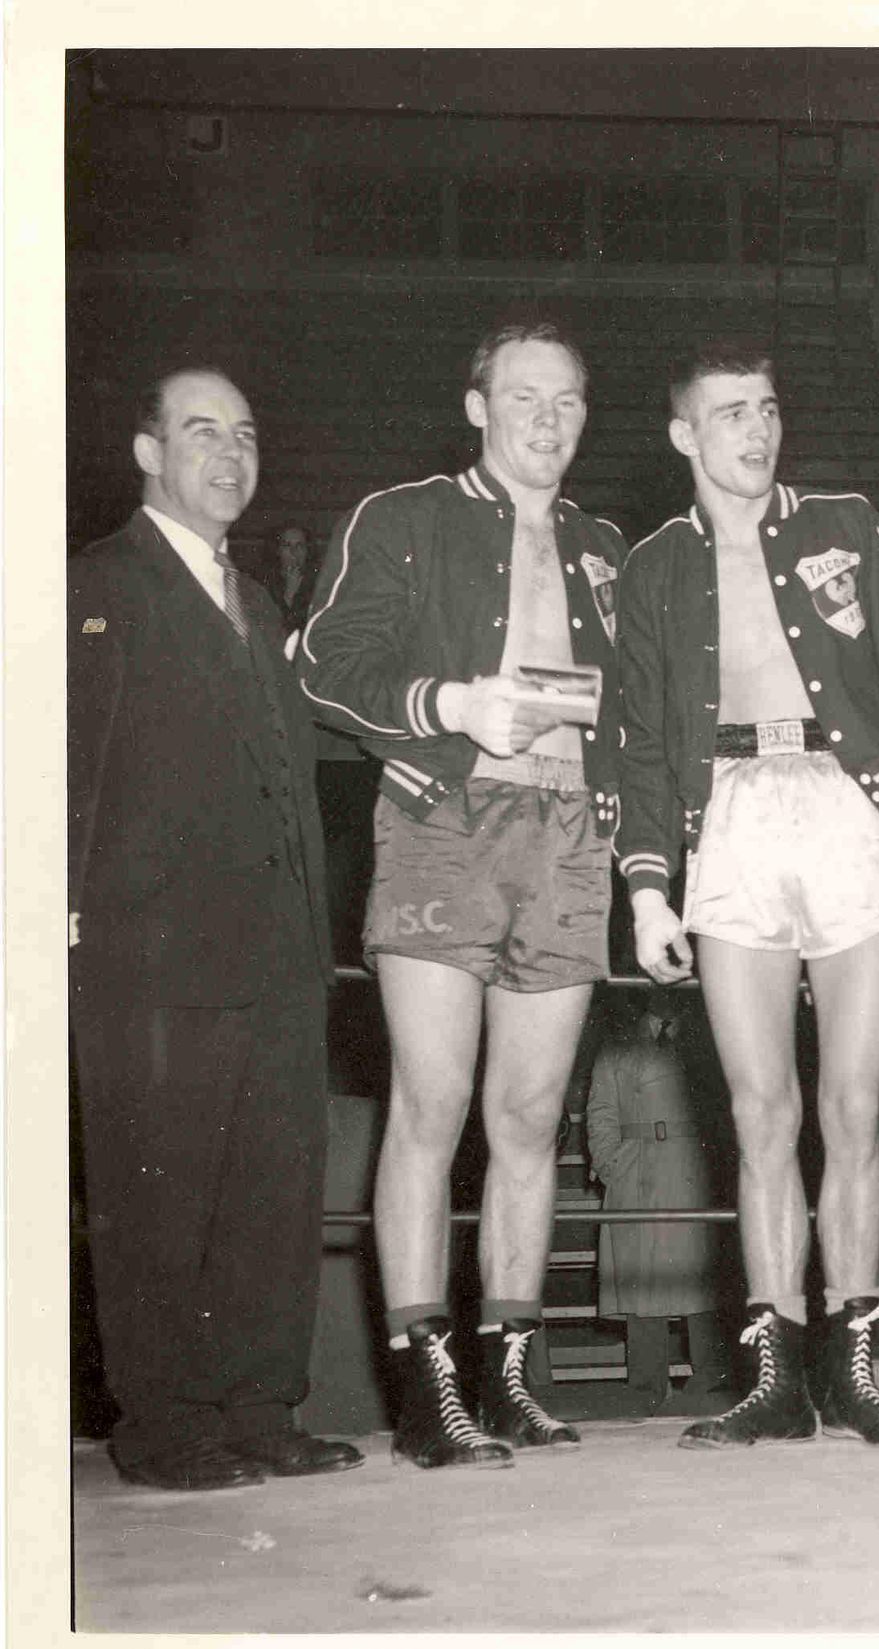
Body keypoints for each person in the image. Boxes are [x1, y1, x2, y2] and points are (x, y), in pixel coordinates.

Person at [614, 342, 879, 1450]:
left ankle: (853, 1369)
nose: (756, 430)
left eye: (767, 408)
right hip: (728, 814)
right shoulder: (655, 565)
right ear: (685, 434)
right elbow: (637, 741)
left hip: (850, 805)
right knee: (760, 1110)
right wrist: (648, 890)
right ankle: (774, 1376)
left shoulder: (845, 525)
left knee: (853, 1106)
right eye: (730, 414)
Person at [299, 312, 625, 1469]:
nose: (548, 419)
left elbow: (636, 707)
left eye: (567, 399)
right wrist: (448, 705)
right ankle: (425, 1388)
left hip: (570, 833)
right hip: (445, 822)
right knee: (430, 1105)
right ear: (478, 407)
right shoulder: (405, 517)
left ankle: (512, 1377)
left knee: (531, 1118)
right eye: (524, 397)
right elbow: (324, 665)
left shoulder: (603, 543)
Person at [69, 367, 349, 1488]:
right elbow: (61, 770)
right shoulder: (97, 585)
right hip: (152, 955)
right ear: (148, 453)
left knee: (271, 1190)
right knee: (160, 1194)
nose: (231, 455)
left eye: (245, 434)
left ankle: (259, 1407)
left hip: (277, 951)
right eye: (201, 433)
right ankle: (167, 1425)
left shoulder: (262, 606)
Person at [583, 983, 741, 1410]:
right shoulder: (618, 1045)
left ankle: (712, 1383)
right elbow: (601, 1110)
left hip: (696, 1168)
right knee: (641, 1279)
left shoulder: (710, 1037)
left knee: (703, 1277)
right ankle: (647, 1388)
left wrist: (723, 1166)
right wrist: (612, 1163)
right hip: (637, 1169)